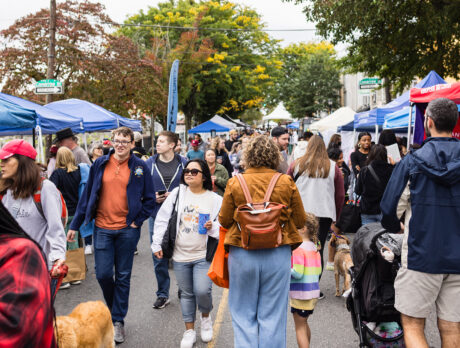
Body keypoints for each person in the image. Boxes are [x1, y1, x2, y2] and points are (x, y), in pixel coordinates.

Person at [381, 98, 460, 348]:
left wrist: (397, 226)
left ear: (430, 122)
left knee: (413, 324)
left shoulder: (412, 161)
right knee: (451, 326)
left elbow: (390, 209)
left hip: (420, 254)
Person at [67, 127, 155, 344]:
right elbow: (87, 197)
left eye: (125, 141)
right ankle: (115, 309)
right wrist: (75, 225)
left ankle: (117, 320)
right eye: (117, 140)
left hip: (127, 229)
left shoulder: (140, 167)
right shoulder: (100, 163)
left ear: (132, 144)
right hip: (103, 228)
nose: (121, 144)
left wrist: (137, 221)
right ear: (112, 142)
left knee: (123, 276)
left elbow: (150, 200)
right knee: (103, 274)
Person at [219, 136, 307, 348]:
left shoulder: (235, 182)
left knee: (242, 313)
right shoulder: (285, 182)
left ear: (248, 156)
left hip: (242, 251)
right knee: (273, 316)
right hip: (277, 252)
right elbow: (300, 220)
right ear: (274, 156)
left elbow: (224, 219)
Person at [151, 159, 222, 348]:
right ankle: (189, 330)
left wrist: (212, 227)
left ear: (204, 176)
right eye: (186, 171)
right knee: (187, 293)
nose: (188, 173)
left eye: (194, 171)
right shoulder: (177, 193)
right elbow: (162, 219)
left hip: (203, 255)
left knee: (202, 290)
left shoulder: (215, 200)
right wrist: (156, 243)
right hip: (180, 255)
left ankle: (206, 317)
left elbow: (225, 226)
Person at [0, 139, 66, 276]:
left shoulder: (45, 188)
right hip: (10, 267)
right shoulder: (5, 190)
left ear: (22, 162)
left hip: (38, 269)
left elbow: (56, 228)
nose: (1, 164)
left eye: (6, 160)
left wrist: (58, 258)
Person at [288, 135, 344, 287]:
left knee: (298, 246)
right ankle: (313, 284)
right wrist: (336, 217)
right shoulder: (333, 167)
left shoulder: (296, 165)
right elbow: (340, 195)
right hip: (324, 214)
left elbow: (287, 188)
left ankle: (296, 279)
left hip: (301, 213)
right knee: (317, 248)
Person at [0, 202, 57, 348]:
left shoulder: (20, 252)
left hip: (34, 257)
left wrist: (56, 255)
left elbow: (55, 224)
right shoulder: (8, 197)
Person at [145, 131, 188, 309]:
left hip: (181, 215)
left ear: (172, 145)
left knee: (181, 253)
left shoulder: (184, 163)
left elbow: (194, 185)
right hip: (156, 214)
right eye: (157, 141)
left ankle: (183, 289)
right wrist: (151, 197)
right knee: (159, 255)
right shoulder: (148, 163)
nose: (157, 144)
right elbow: (142, 188)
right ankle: (163, 294)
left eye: (162, 141)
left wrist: (178, 195)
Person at [49, 147, 88, 288]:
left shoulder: (57, 174)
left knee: (62, 244)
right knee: (74, 243)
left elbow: (51, 192)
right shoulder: (78, 172)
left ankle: (65, 277)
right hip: (77, 212)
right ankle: (75, 275)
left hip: (63, 213)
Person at [290, 213, 321, 348]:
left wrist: (284, 269)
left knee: (299, 328)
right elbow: (318, 271)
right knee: (304, 323)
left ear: (303, 229)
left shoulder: (298, 248)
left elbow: (297, 273)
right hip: (312, 293)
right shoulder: (315, 247)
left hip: (301, 295)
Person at [355, 144, 394, 224]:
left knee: (368, 235)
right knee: (384, 235)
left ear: (371, 154)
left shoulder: (364, 170)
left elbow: (358, 191)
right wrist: (395, 166)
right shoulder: (391, 170)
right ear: (385, 155)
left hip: (367, 209)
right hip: (385, 209)